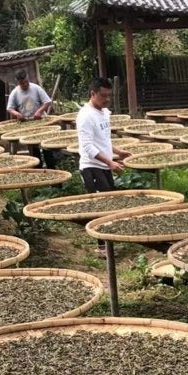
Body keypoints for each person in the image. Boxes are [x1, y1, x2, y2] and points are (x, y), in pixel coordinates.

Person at [77, 77, 130, 255]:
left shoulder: (105, 112)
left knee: (110, 203)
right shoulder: (85, 116)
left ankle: (109, 242)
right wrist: (109, 162)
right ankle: (102, 247)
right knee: (101, 207)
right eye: (103, 96)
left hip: (104, 165)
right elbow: (88, 146)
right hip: (91, 166)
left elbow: (103, 139)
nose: (107, 99)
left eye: (109, 96)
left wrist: (118, 152)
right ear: (93, 94)